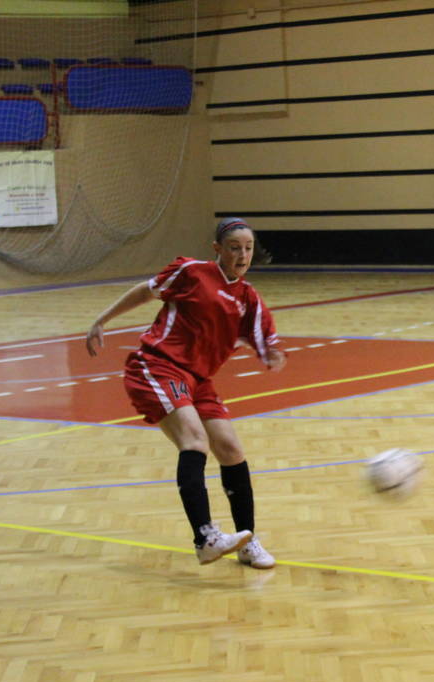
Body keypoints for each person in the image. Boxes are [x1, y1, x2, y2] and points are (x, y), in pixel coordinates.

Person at [86, 217, 285, 568]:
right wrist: (103, 319)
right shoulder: (191, 273)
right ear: (217, 249)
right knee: (194, 439)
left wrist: (271, 353)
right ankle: (205, 538)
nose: (242, 255)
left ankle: (247, 541)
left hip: (199, 380)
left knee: (231, 449)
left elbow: (265, 338)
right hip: (158, 366)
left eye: (248, 248)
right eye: (234, 248)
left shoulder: (248, 298)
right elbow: (146, 291)